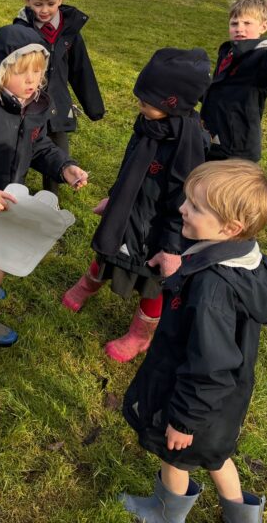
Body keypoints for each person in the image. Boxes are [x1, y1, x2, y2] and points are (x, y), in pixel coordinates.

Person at [119, 160, 267, 523]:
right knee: (216, 456)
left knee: (174, 455)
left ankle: (165, 513)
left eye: (195, 207)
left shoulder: (213, 289)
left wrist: (183, 420)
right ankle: (242, 517)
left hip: (195, 398)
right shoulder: (245, 256)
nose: (183, 208)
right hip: (225, 403)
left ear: (230, 227)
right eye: (187, 200)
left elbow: (210, 364)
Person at [0, 25, 89, 346]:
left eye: (38, 72)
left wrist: (64, 166)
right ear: (1, 70)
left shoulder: (32, 108)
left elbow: (38, 147)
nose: (33, 80)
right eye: (23, 73)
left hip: (8, 201)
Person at [62, 48, 211, 362]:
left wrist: (171, 248)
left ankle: (141, 334)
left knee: (150, 281)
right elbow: (131, 166)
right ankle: (88, 284)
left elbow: (184, 200)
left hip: (158, 229)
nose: (139, 104)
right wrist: (116, 199)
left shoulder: (187, 145)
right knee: (108, 250)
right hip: (130, 210)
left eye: (148, 100)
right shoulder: (149, 124)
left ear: (172, 102)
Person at [12, 0, 104, 194]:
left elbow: (81, 69)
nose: (44, 10)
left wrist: (94, 108)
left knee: (59, 157)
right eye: (37, 4)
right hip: (27, 105)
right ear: (27, 0)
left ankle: (50, 200)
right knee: (18, 152)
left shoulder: (70, 31)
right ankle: (12, 194)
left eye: (51, 4)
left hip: (58, 107)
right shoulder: (19, 30)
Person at [201, 0, 267, 162]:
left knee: (231, 188)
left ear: (263, 27)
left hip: (237, 148)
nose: (239, 28)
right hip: (213, 136)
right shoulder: (229, 52)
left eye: (247, 23)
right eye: (234, 23)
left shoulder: (262, 56)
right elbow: (221, 87)